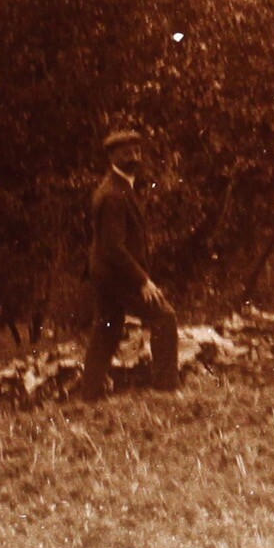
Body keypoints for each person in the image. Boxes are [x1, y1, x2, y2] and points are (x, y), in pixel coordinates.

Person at [74, 127, 180, 400]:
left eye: (136, 151)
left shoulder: (118, 187)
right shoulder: (113, 195)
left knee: (106, 329)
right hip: (116, 274)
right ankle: (165, 390)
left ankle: (90, 394)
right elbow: (113, 247)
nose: (134, 156)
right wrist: (142, 280)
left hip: (104, 272)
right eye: (126, 152)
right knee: (164, 316)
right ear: (112, 156)